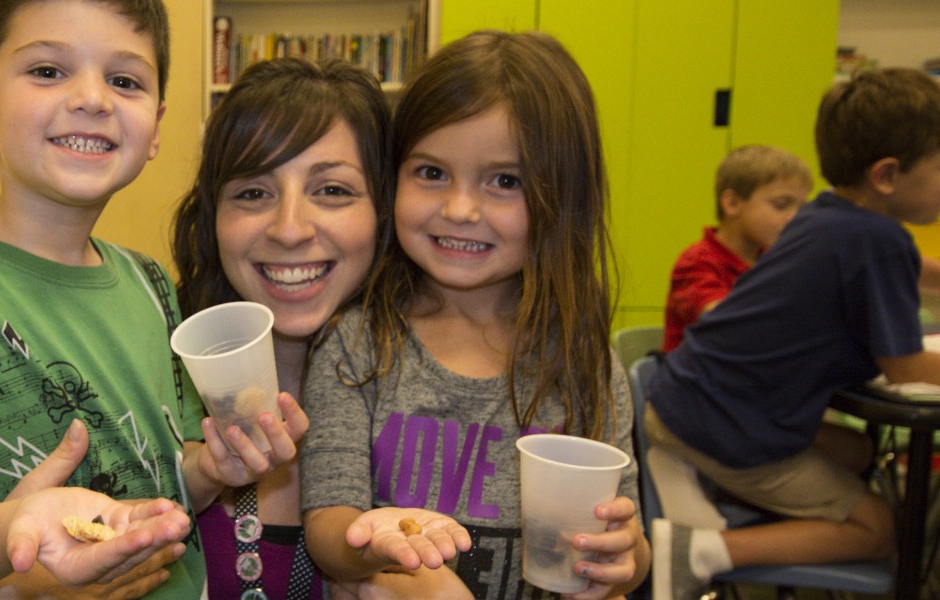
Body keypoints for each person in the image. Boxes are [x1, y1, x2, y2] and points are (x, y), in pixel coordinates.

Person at [0, 1, 303, 598]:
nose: (93, 99)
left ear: (155, 129)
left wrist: (211, 470)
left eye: (123, 80)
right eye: (48, 71)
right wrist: (16, 532)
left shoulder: (152, 284)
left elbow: (164, 476)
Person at [299, 30, 651, 600]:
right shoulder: (357, 344)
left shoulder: (584, 360)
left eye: (505, 181)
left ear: (561, 196)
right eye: (432, 173)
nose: (460, 209)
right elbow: (328, 528)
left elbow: (625, 540)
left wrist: (624, 558)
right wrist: (374, 546)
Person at [644, 67, 940, 600]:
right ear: (888, 175)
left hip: (693, 400)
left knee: (855, 452)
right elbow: (909, 370)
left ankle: (718, 493)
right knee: (880, 529)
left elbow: (909, 267)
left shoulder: (825, 216)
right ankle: (702, 550)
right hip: (726, 426)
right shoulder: (878, 239)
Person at [171, 57, 396, 600]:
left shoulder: (436, 404)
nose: (290, 229)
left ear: (385, 213)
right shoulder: (152, 388)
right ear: (211, 217)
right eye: (253, 193)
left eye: (333, 190)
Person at [662, 145, 812, 351]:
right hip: (702, 379)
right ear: (732, 203)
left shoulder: (775, 261)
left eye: (801, 208)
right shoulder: (696, 262)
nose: (795, 218)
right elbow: (726, 323)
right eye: (781, 205)